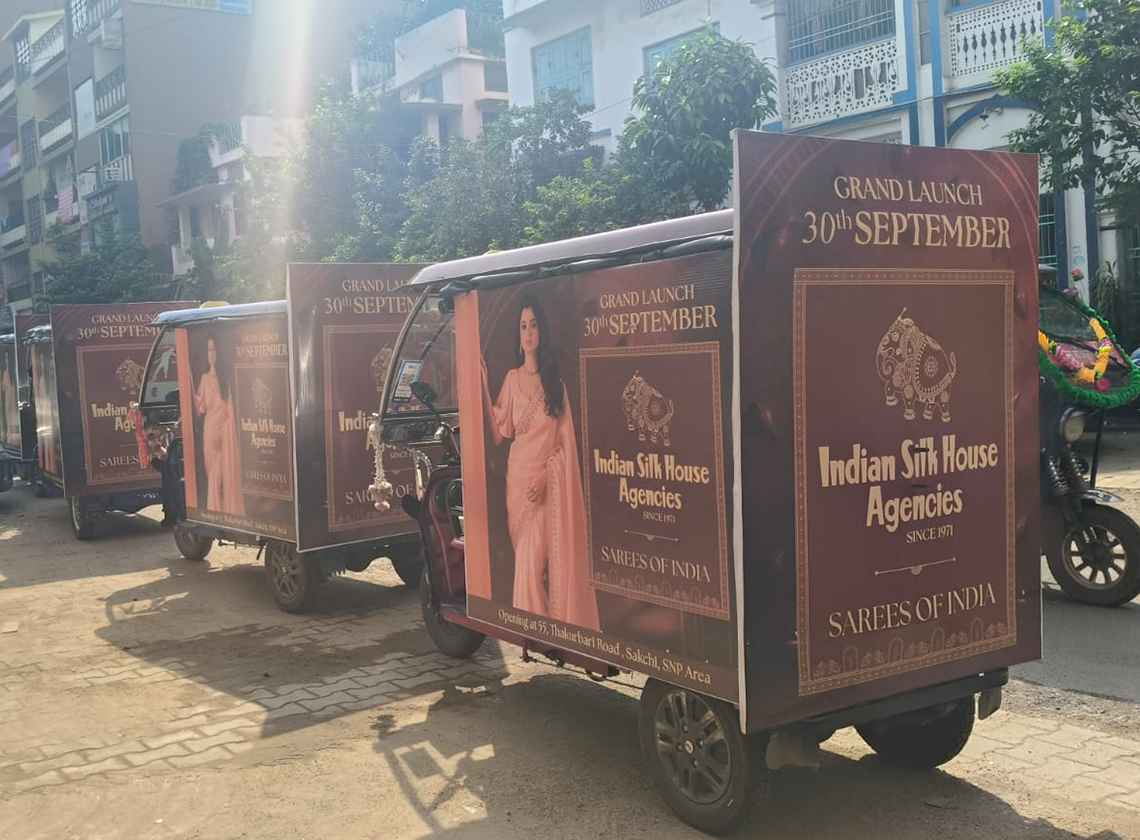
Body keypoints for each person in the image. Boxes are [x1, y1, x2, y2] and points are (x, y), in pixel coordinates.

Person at [481, 295, 599, 630]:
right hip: (517, 483)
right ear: (518, 336)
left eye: (533, 325)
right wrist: (483, 386)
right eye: (523, 326)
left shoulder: (554, 385)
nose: (528, 332)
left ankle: (539, 632)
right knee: (526, 564)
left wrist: (547, 477)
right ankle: (537, 633)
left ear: (541, 331)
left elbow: (566, 445)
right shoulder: (511, 379)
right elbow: (499, 434)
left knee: (532, 567)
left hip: (546, 486)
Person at [194, 334, 243, 515]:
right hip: (210, 431)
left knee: (225, 473)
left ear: (218, 352)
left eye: (214, 349)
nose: (211, 354)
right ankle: (217, 510)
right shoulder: (204, 378)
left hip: (225, 431)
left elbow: (230, 408)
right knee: (213, 473)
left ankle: (223, 510)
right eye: (209, 350)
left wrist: (228, 427)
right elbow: (200, 407)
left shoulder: (225, 380)